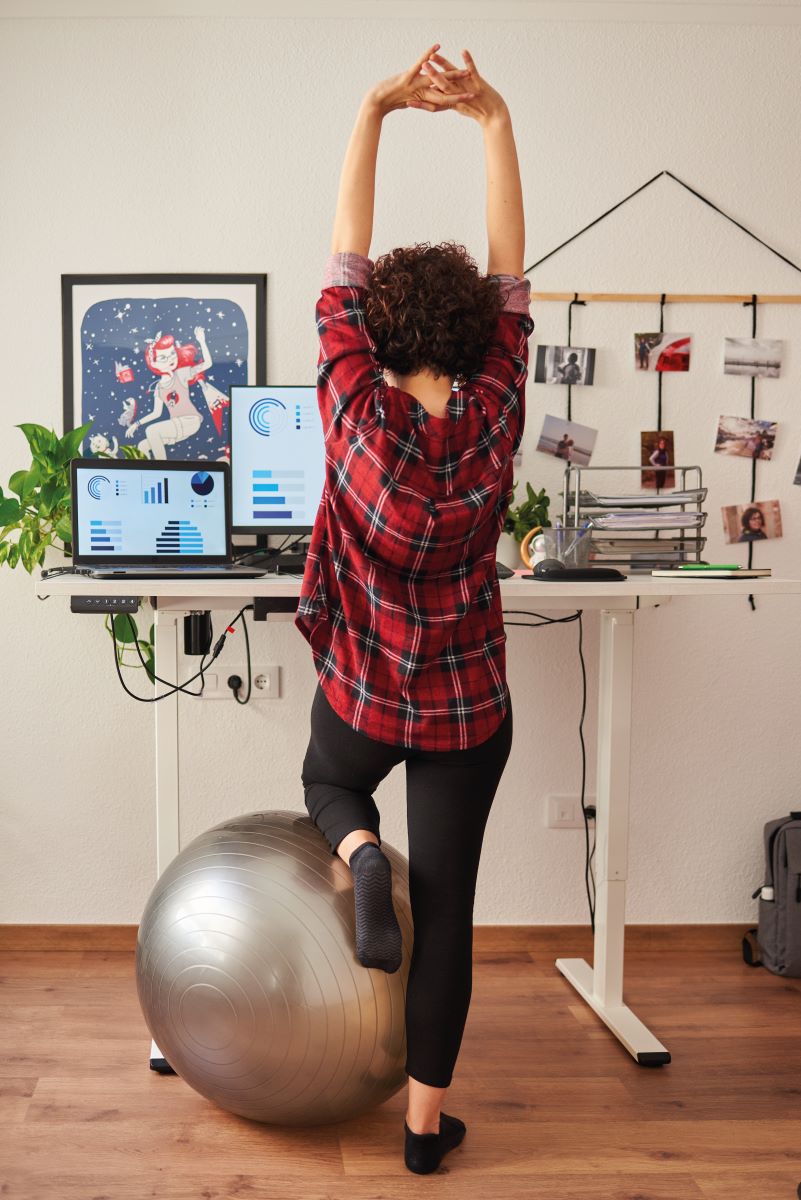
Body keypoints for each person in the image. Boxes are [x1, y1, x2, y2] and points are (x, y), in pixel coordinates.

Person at [294, 45, 533, 1175]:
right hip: (470, 707)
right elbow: (513, 269)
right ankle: (426, 1131)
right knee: (453, 914)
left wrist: (376, 104)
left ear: (378, 336)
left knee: (326, 781)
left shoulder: (351, 404)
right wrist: (491, 121)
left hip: (366, 694)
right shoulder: (497, 410)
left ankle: (357, 846)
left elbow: (343, 256)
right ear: (480, 337)